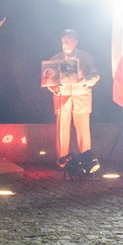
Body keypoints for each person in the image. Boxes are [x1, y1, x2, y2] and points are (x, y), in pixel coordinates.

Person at [47, 29, 100, 173]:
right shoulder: (55, 58)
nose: (65, 43)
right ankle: (63, 161)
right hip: (62, 96)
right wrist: (54, 87)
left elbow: (95, 75)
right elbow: (48, 79)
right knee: (62, 129)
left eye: (69, 40)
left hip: (81, 96)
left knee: (83, 129)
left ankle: (87, 160)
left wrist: (86, 81)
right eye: (63, 41)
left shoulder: (86, 57)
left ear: (76, 42)